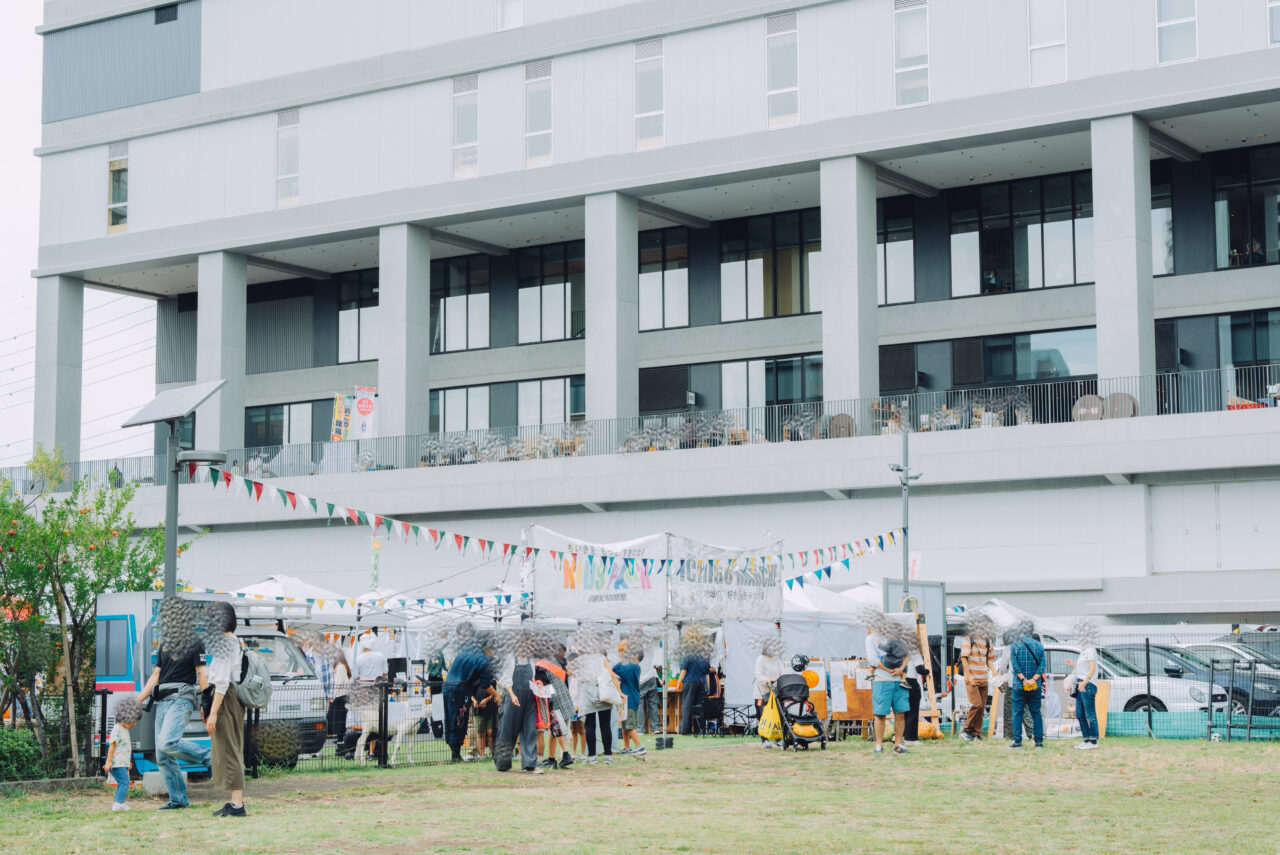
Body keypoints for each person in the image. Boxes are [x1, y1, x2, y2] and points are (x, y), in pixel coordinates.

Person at [136, 637, 210, 810]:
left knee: (168, 742)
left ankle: (209, 758)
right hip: (162, 701)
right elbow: (156, 675)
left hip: (182, 699)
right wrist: (138, 700)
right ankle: (178, 800)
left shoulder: (195, 642)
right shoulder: (165, 643)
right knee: (162, 755)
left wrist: (206, 702)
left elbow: (201, 673)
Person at [204, 601, 247, 817]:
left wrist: (213, 712)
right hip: (229, 696)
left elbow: (221, 681)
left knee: (229, 748)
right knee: (231, 747)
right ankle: (234, 802)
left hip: (225, 697)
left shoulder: (225, 643)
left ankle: (237, 805)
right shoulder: (233, 641)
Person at [442, 637, 493, 762]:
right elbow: (486, 684)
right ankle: (455, 755)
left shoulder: (466, 651)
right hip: (459, 689)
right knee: (459, 720)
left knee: (450, 720)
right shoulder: (482, 659)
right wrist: (496, 695)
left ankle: (454, 753)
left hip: (447, 686)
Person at [865, 616, 910, 755]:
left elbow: (907, 654)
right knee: (880, 714)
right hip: (881, 680)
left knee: (900, 713)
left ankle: (898, 744)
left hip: (899, 680)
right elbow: (872, 659)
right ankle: (878, 745)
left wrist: (902, 668)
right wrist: (888, 670)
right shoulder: (871, 638)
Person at [576, 649, 620, 764]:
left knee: (589, 725)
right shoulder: (601, 657)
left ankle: (592, 756)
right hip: (602, 692)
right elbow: (611, 674)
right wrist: (619, 692)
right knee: (605, 725)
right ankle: (608, 756)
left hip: (587, 693)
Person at [1008, 626, 1046, 749]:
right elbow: (1042, 666)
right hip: (1035, 686)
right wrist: (1033, 679)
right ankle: (1038, 742)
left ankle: (1017, 741)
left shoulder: (1014, 645)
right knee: (1036, 713)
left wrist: (1024, 680)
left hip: (1019, 685)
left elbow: (1014, 665)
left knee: (1017, 713)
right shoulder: (1039, 646)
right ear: (1032, 631)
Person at [960, 625, 996, 742]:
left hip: (984, 678)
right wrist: (969, 676)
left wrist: (994, 672)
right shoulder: (968, 639)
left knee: (982, 708)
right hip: (972, 679)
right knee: (977, 704)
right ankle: (966, 729)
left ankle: (976, 733)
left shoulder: (987, 640)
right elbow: (964, 658)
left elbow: (989, 658)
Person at [103, 705, 139, 812]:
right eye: (133, 721)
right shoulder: (117, 729)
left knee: (122, 782)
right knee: (125, 782)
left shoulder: (123, 729)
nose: (134, 724)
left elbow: (124, 749)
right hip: (116, 763)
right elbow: (112, 747)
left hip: (121, 763)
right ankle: (118, 804)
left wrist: (128, 762)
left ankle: (119, 803)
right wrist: (109, 761)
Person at [1066, 639, 1099, 751]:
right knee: (1079, 713)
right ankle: (1086, 740)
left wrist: (1085, 682)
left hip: (1088, 684)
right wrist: (1073, 664)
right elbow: (1082, 669)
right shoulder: (1083, 651)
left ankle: (1093, 741)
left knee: (1090, 714)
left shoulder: (1091, 650)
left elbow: (1092, 668)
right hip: (1081, 684)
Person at [613, 649, 645, 756]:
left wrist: (623, 658)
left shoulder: (632, 666)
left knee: (630, 725)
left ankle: (640, 747)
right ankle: (627, 748)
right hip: (626, 698)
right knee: (624, 724)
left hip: (629, 699)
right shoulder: (634, 667)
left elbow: (616, 668)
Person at [753, 642, 784, 747]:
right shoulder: (760, 660)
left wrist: (780, 680)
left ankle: (778, 738)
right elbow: (758, 675)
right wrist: (768, 680)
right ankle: (764, 740)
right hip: (762, 693)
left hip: (775, 692)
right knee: (762, 716)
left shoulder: (777, 660)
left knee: (778, 715)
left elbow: (782, 673)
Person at [677, 647, 711, 736]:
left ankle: (685, 730)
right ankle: (699, 730)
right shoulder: (705, 658)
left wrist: (678, 683)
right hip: (701, 683)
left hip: (689, 683)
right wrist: (708, 687)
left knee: (687, 707)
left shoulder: (688, 656)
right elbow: (707, 675)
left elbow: (683, 671)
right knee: (700, 708)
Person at [327, 651, 353, 741]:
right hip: (343, 695)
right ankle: (340, 737)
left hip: (340, 695)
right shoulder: (342, 666)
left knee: (337, 718)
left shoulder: (340, 667)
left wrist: (333, 696)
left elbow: (338, 682)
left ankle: (340, 738)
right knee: (341, 717)